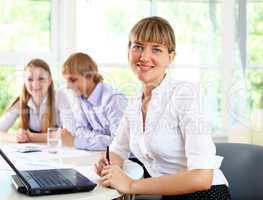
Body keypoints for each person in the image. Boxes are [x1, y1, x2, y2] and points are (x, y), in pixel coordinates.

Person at [95, 16, 231, 199]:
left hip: (205, 195)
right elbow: (117, 150)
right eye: (138, 46)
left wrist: (130, 184)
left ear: (170, 57)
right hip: (169, 196)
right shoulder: (134, 102)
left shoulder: (184, 95)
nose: (144, 57)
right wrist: (109, 165)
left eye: (156, 49)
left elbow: (202, 177)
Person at [62, 52, 127, 150]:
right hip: (100, 154)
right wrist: (98, 138)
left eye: (73, 80)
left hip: (127, 159)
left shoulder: (113, 100)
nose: (68, 86)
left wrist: (77, 141)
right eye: (66, 80)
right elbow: (80, 130)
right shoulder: (81, 97)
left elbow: (118, 142)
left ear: (89, 76)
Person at [0, 58, 75, 143]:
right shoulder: (20, 102)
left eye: (41, 78)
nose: (35, 84)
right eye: (30, 79)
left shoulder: (60, 97)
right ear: (25, 82)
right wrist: (16, 137)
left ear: (49, 80)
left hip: (56, 151)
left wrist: (33, 137)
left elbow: (70, 133)